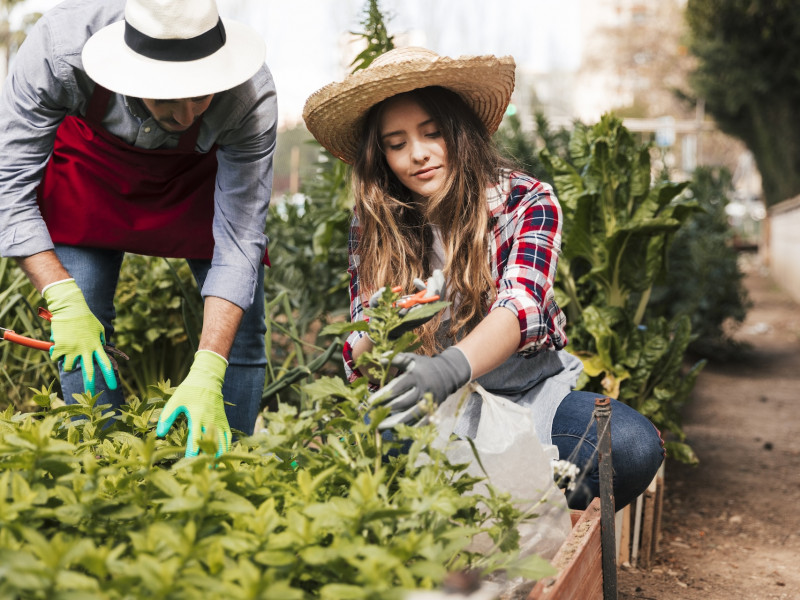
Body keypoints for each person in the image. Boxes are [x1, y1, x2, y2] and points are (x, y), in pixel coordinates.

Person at [302, 47, 664, 510]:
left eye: (432, 133)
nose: (418, 155)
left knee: (630, 446)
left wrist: (450, 366)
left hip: (527, 395)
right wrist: (382, 324)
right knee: (373, 465)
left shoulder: (524, 200)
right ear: (381, 156)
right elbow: (361, 356)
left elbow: (521, 307)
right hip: (428, 409)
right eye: (396, 144)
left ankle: (536, 537)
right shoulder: (373, 222)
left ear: (459, 130)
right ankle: (479, 528)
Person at [0, 0, 277, 457]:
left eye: (202, 95)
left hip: (198, 181)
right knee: (82, 311)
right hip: (90, 172)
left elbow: (239, 241)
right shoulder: (60, 49)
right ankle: (107, 466)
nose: (186, 116)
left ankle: (225, 466)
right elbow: (8, 187)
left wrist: (209, 367)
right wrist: (62, 298)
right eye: (168, 95)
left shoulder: (250, 96)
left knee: (239, 335)